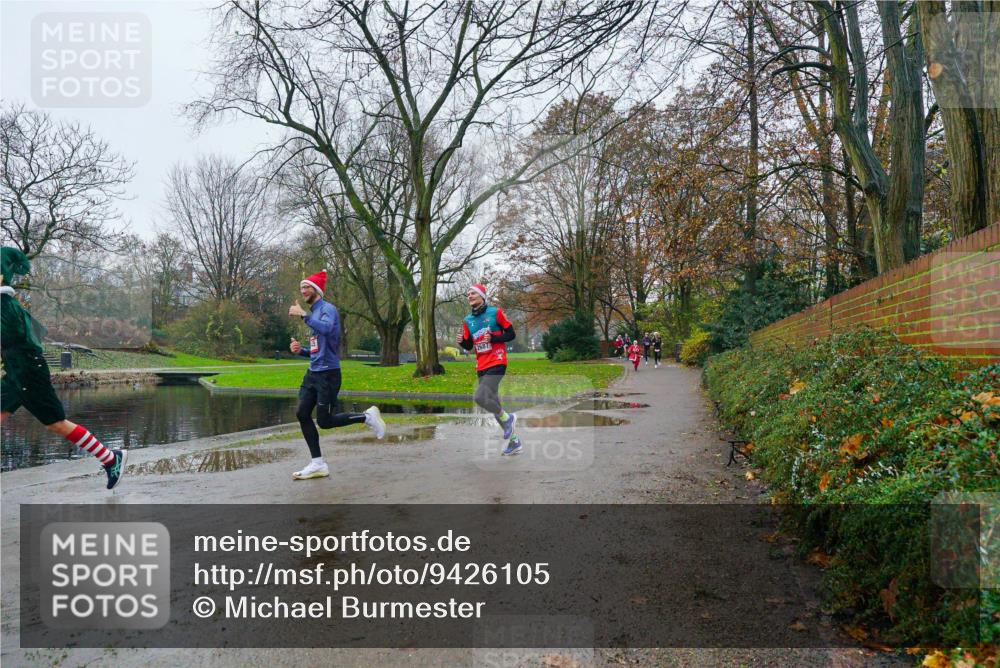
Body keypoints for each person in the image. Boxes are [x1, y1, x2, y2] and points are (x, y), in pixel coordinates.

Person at [0, 247, 127, 489]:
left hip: (29, 373)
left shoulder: (6, 305)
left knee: (55, 423)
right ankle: (111, 459)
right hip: (17, 373)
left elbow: (17, 336)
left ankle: (111, 459)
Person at [288, 269, 386, 480]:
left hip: (328, 375)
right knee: (302, 413)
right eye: (301, 288)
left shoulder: (327, 310)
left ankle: (367, 417)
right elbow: (317, 348)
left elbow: (326, 328)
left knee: (325, 421)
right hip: (313, 373)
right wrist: (301, 350)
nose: (303, 291)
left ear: (316, 290)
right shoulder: (314, 313)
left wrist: (304, 316)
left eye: (306, 287)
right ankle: (317, 463)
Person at [456, 283, 520, 456]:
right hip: (481, 365)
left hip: (497, 362)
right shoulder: (467, 320)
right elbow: (469, 345)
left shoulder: (495, 313)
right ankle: (514, 441)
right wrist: (462, 341)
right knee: (494, 404)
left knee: (480, 397)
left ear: (482, 296)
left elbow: (511, 334)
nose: (469, 296)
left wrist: (494, 337)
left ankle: (510, 419)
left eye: (473, 293)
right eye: (468, 294)